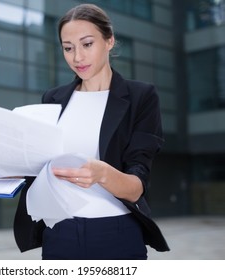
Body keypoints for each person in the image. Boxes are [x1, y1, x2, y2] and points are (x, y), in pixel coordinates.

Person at [14, 3, 169, 260]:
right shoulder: (53, 98)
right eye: (68, 48)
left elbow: (136, 187)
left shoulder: (142, 97)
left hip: (116, 232)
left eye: (87, 44)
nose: (77, 57)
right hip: (59, 233)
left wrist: (102, 174)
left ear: (109, 41)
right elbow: (39, 165)